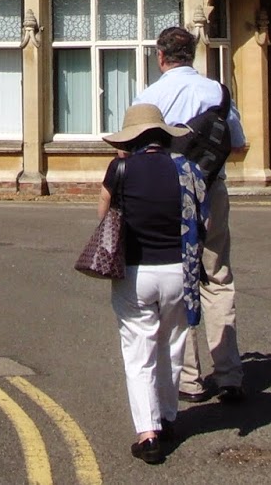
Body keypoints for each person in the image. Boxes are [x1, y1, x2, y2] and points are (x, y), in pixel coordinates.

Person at [133, 24, 249, 405]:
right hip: (211, 190)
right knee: (217, 278)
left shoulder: (150, 96)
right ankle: (229, 373)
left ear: (160, 56)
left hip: (167, 195)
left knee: (179, 281)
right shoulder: (216, 90)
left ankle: (190, 379)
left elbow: (134, 152)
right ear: (194, 55)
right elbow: (239, 143)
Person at [98, 101, 207, 464]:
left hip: (135, 272)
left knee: (138, 353)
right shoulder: (188, 169)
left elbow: (105, 217)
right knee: (172, 345)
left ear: (132, 138)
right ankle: (167, 417)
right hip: (179, 271)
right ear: (162, 135)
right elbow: (200, 218)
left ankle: (147, 435)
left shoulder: (121, 168)